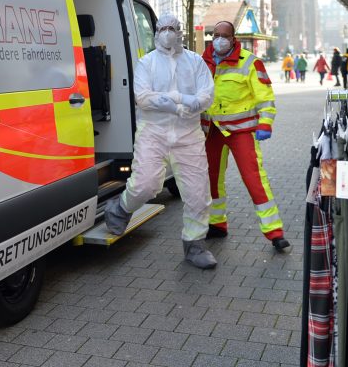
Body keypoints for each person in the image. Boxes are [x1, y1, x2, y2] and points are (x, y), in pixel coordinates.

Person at [105, 14, 217, 269]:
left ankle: (195, 243)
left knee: (198, 193)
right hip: (153, 132)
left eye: (172, 28)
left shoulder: (195, 62)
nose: (167, 32)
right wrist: (180, 103)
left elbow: (205, 97)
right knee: (145, 185)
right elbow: (143, 98)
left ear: (180, 32)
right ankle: (120, 208)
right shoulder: (146, 63)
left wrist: (174, 100)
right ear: (156, 32)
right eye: (163, 28)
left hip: (188, 135)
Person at [202, 21, 290, 252]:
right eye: (216, 34)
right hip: (212, 130)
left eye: (225, 35)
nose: (220, 39)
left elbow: (266, 97)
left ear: (233, 38)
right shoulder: (202, 62)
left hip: (241, 132)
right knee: (211, 179)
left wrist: (265, 123)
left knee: (254, 179)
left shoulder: (250, 62)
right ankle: (217, 223)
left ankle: (275, 232)